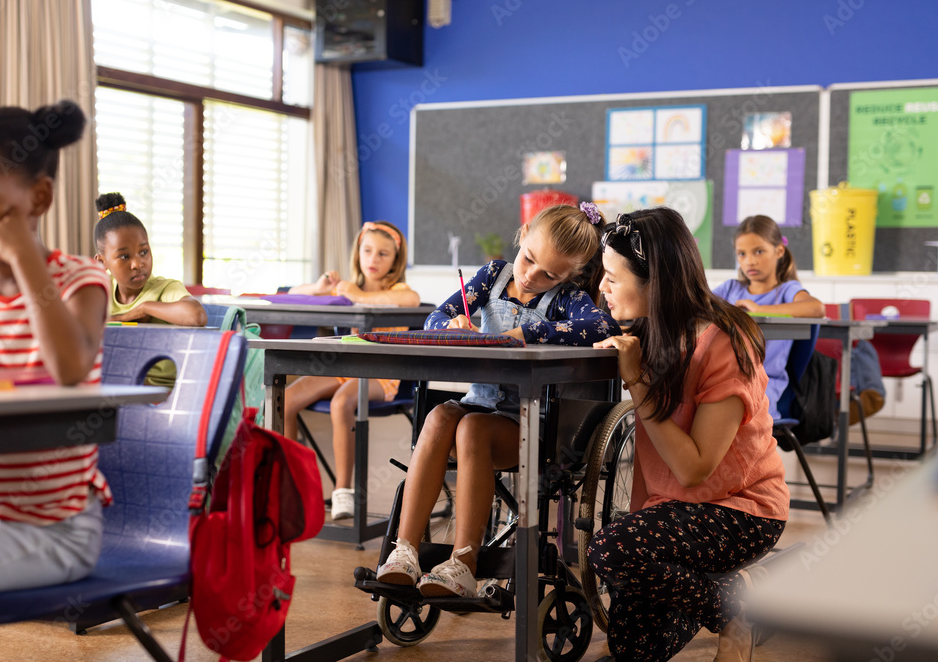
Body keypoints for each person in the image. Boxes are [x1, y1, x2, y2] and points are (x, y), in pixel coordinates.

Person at [376, 203, 615, 598]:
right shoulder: (492, 276)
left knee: (471, 428)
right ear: (522, 235)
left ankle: (463, 563)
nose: (531, 274)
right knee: (438, 417)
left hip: (529, 424)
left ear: (570, 275)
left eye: (549, 274)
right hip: (478, 404)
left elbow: (602, 325)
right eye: (529, 259)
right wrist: (452, 326)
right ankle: (405, 552)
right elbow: (435, 318)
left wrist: (532, 332)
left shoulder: (566, 298)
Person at [588, 208, 789, 662]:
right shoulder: (645, 328)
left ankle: (734, 611)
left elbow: (694, 468)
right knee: (631, 652)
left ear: (654, 282)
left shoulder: (723, 341)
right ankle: (720, 587)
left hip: (740, 511)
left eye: (612, 278)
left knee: (611, 551)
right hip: (671, 514)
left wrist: (637, 381)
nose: (602, 288)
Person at [0, 101, 113, 607]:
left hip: (57, 529)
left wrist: (23, 258)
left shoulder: (79, 281)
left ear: (38, 198)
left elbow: (69, 368)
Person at [283, 220, 420, 520]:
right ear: (358, 252)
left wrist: (355, 295)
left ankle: (342, 490)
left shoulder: (397, 289)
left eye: (383, 254)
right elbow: (289, 293)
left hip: (380, 376)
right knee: (286, 400)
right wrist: (320, 288)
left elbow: (411, 300)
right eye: (367, 250)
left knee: (343, 400)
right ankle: (292, 485)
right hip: (341, 369)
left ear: (396, 260)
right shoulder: (345, 286)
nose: (373, 259)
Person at [713, 215, 824, 420]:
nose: (750, 261)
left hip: (765, 385)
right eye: (742, 254)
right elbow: (696, 306)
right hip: (723, 378)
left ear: (779, 251)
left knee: (721, 411)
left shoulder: (786, 290)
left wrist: (759, 310)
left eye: (759, 251)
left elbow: (816, 308)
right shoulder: (731, 289)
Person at [93, 192, 206, 388]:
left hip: (161, 392)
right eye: (124, 257)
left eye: (143, 252)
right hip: (114, 388)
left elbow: (196, 316)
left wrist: (144, 308)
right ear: (102, 262)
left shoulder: (165, 289)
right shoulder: (99, 291)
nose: (137, 264)